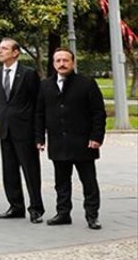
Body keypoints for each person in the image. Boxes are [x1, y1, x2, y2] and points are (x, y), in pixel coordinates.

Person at [35, 49, 106, 230]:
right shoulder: (45, 85)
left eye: (65, 60)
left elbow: (98, 113)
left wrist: (96, 137)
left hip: (84, 142)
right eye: (58, 60)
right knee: (61, 182)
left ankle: (92, 215)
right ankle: (63, 213)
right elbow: (39, 114)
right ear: (53, 64)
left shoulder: (87, 83)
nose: (62, 64)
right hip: (58, 142)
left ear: (73, 63)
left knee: (89, 182)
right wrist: (39, 138)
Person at [0, 38, 44, 223]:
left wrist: (39, 134)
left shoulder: (28, 74)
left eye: (4, 48)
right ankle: (16, 206)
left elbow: (37, 105)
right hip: (5, 130)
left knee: (30, 170)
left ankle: (36, 208)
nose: (0, 51)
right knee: (9, 170)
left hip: (25, 131)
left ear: (16, 53)